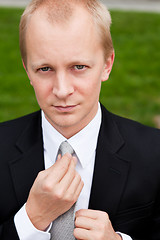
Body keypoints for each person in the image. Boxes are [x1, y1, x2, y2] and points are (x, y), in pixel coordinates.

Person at [0, 0, 160, 239]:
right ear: (27, 70)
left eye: (78, 66)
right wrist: (31, 219)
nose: (62, 90)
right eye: (45, 69)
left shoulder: (154, 154)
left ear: (107, 64)